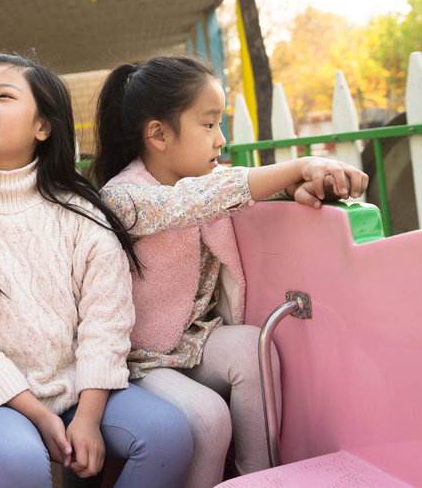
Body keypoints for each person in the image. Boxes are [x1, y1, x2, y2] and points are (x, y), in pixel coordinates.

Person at [90, 56, 369, 488]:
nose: (221, 139)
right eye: (208, 124)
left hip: (193, 341)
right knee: (209, 417)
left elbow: (236, 188)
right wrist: (298, 166)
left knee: (253, 348)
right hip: (139, 360)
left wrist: (295, 187)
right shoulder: (124, 197)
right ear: (158, 134)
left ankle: (256, 479)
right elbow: (195, 201)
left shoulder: (207, 178)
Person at [0, 54, 193, 488]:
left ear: (43, 127)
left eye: (4, 97)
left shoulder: (83, 213)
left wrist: (88, 416)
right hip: (0, 400)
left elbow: (106, 321)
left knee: (168, 434)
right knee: (20, 462)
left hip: (85, 388)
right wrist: (39, 414)